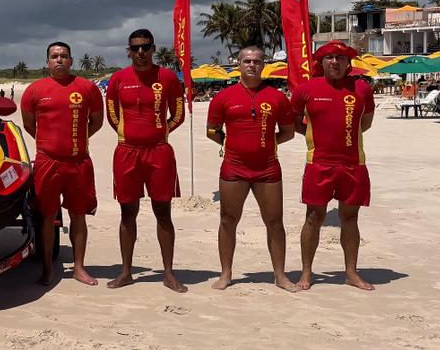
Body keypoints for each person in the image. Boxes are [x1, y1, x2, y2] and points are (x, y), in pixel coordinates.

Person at [205, 46, 298, 292]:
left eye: (257, 61)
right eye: (247, 61)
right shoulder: (224, 97)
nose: (252, 65)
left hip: (267, 168)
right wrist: (230, 143)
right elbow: (212, 130)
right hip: (234, 167)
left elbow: (288, 132)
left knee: (275, 222)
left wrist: (266, 144)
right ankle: (225, 274)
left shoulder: (277, 97)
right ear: (239, 64)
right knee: (228, 220)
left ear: (263, 64)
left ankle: (280, 275)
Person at [105, 29, 187, 292]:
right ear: (129, 50)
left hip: (159, 152)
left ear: (153, 49)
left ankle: (169, 273)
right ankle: (126, 271)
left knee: (163, 211)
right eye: (135, 47)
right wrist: (129, 135)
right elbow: (112, 114)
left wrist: (160, 132)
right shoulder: (118, 79)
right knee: (127, 211)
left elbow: (178, 113)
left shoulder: (168, 77)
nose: (140, 52)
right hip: (127, 152)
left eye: (145, 47)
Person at [292, 40, 376, 290]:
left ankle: (351, 272)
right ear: (322, 62)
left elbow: (366, 122)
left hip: (353, 164)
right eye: (330, 58)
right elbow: (294, 121)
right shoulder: (305, 89)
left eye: (340, 58)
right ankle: (306, 273)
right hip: (319, 163)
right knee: (313, 218)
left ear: (348, 63)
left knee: (350, 218)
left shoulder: (362, 89)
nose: (335, 62)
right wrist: (315, 138)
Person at [20, 41, 103, 285]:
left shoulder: (87, 87)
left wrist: (75, 140)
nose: (59, 59)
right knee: (47, 216)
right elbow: (28, 123)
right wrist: (49, 143)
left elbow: (96, 121)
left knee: (79, 215)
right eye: (54, 56)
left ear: (71, 60)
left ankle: (79, 267)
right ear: (47, 62)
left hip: (79, 162)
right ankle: (47, 267)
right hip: (48, 162)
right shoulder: (35, 90)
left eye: (64, 56)